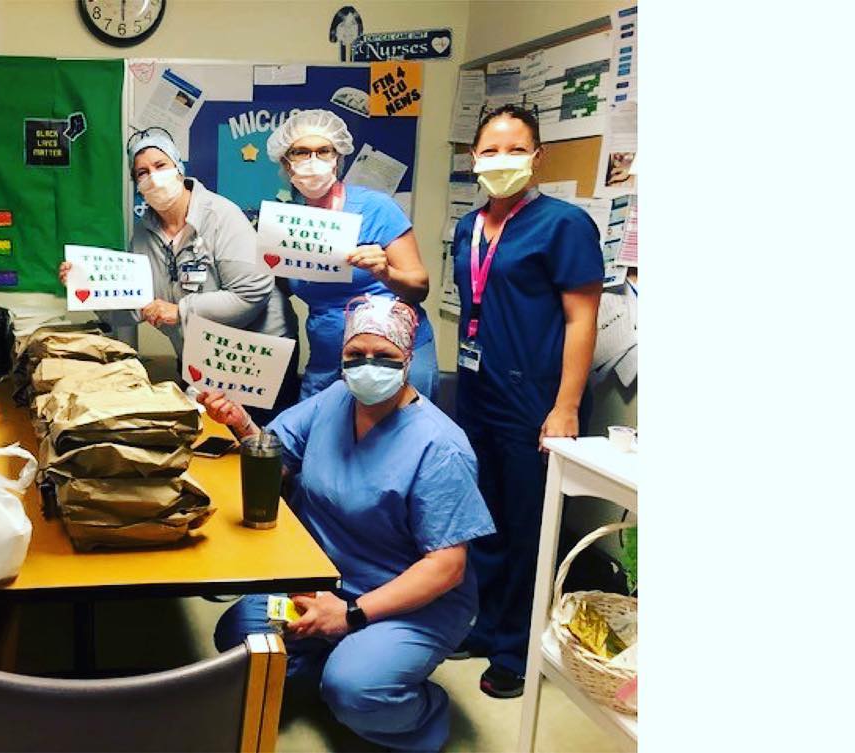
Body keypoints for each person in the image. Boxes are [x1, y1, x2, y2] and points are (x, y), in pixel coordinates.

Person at [202, 296, 494, 752]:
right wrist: (242, 424)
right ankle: (328, 661)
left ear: (407, 358)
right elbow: (277, 458)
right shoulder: (336, 399)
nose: (367, 366)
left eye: (384, 356)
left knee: (356, 689)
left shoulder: (440, 447)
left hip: (409, 604)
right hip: (323, 585)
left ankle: (423, 713)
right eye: (355, 355)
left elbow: (447, 567)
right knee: (240, 636)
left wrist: (351, 615)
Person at [450, 104, 603, 698]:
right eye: (490, 150)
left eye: (515, 149)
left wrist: (565, 406)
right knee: (483, 516)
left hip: (535, 396)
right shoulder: (468, 227)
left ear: (537, 158)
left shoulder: (564, 225)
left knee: (527, 524)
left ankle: (516, 647)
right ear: (473, 158)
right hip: (478, 389)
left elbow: (581, 320)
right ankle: (486, 625)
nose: (501, 160)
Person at [58, 127, 300, 422]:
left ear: (178, 168)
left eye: (160, 165)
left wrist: (181, 310)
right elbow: (134, 307)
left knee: (259, 441)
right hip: (201, 358)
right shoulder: (144, 234)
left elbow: (252, 293)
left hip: (256, 355)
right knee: (204, 438)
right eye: (142, 172)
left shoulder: (221, 215)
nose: (153, 177)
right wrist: (87, 287)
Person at [264, 109, 438, 402]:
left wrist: (386, 273)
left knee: (399, 428)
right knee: (315, 428)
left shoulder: (376, 208)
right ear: (286, 162)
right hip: (329, 357)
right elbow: (282, 285)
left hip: (390, 355)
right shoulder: (289, 224)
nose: (313, 161)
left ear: (338, 157)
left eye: (324, 151)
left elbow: (419, 287)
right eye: (301, 152)